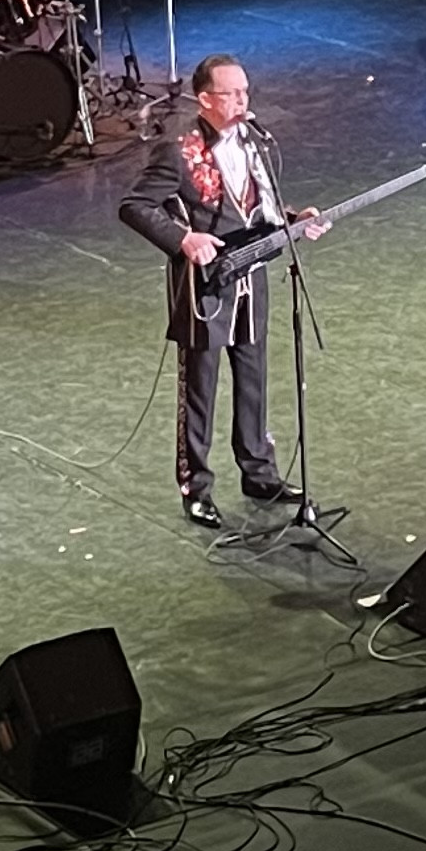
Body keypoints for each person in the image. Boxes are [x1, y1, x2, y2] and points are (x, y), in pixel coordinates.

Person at [118, 56, 328, 526]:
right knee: (201, 389)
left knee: (253, 381)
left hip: (251, 280)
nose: (242, 101)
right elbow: (134, 206)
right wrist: (182, 239)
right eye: (231, 94)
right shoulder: (178, 149)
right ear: (206, 99)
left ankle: (259, 471)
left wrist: (296, 221)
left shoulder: (256, 145)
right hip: (205, 289)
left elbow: (264, 210)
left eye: (245, 92)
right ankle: (197, 485)